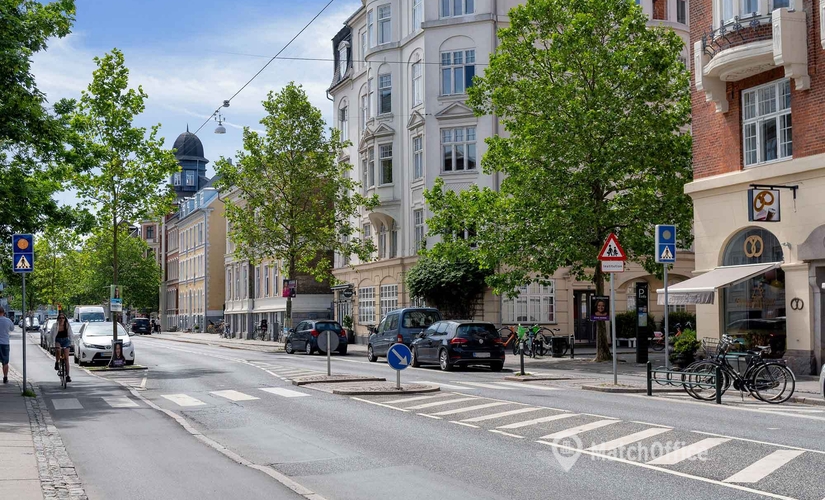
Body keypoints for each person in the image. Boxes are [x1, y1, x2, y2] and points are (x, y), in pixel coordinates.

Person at [50, 312, 74, 383]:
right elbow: (52, 335)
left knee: (66, 358)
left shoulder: (67, 325)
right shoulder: (55, 325)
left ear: (65, 319)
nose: (61, 319)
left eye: (63, 318)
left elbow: (71, 334)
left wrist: (72, 343)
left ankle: (68, 376)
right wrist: (52, 345)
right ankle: (57, 362)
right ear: (58, 319)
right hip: (58, 340)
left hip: (66, 340)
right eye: (60, 318)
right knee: (58, 350)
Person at [0, 307, 15, 384]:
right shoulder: (8, 320)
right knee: (5, 362)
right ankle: (5, 377)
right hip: (5, 343)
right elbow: (12, 329)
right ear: (4, 312)